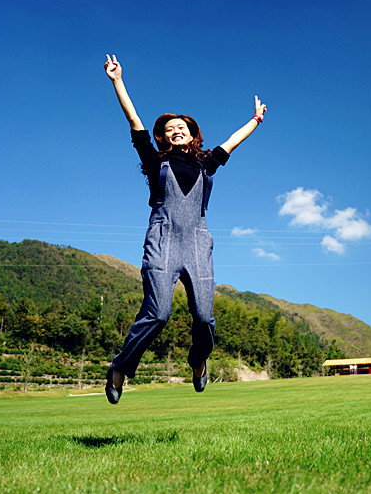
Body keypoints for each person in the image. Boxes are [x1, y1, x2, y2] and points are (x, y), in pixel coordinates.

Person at [102, 54, 266, 404]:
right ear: (163, 137)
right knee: (158, 313)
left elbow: (233, 141)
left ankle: (198, 360)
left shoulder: (207, 162)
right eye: (170, 129)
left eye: (183, 128)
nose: (176, 131)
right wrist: (117, 80)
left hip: (197, 242)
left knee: (205, 316)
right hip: (162, 239)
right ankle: (119, 368)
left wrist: (255, 119)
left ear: (193, 134)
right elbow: (133, 119)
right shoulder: (153, 159)